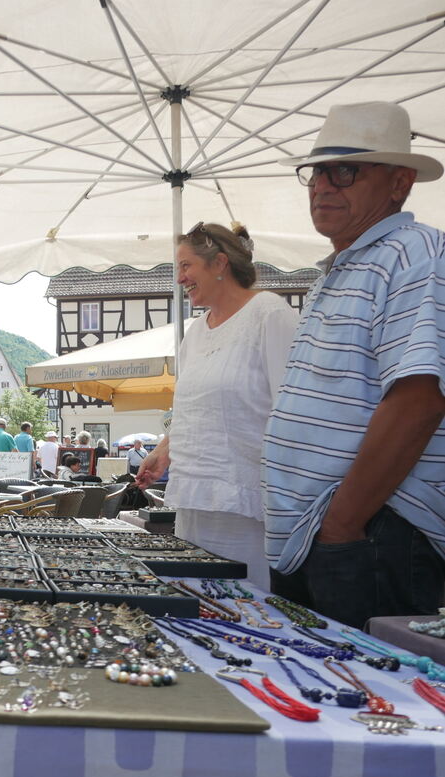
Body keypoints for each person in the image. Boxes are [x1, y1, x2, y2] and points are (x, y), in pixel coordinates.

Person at [262, 102, 445, 626]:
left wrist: (343, 525)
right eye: (316, 172)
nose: (322, 186)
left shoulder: (413, 254)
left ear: (399, 183)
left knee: (374, 701)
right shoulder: (343, 266)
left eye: (345, 171)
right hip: (325, 536)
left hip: (369, 533)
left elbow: (418, 399)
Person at [135, 222, 299, 589]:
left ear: (220, 263)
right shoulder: (195, 331)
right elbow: (193, 410)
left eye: (185, 265)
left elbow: (292, 412)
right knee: (200, 604)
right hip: (194, 499)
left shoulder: (270, 314)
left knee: (248, 609)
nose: (179, 279)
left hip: (245, 504)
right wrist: (163, 451)